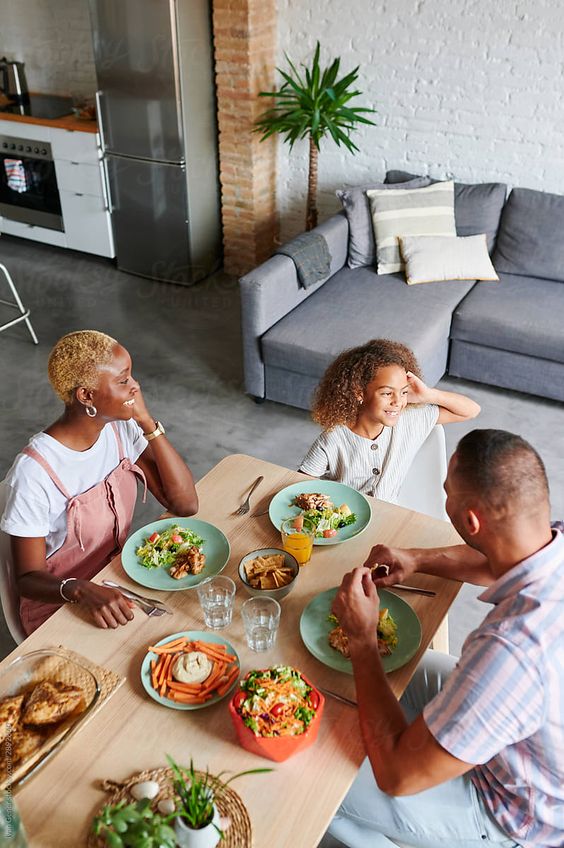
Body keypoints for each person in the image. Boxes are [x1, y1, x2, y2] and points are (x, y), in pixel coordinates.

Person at [327, 429, 564, 848]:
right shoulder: (548, 544)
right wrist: (416, 559)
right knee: (380, 678)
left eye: (447, 492)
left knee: (317, 769)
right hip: (524, 735)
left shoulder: (511, 650)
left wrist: (363, 639)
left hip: (511, 812)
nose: (444, 498)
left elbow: (397, 775)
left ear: (470, 520)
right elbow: (496, 562)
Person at [1, 330, 198, 635]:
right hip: (60, 608)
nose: (136, 386)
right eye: (123, 380)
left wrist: (147, 423)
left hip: (117, 582)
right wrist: (79, 590)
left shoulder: (120, 428)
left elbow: (185, 503)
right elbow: (27, 578)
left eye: (131, 375)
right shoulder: (34, 473)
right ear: (86, 396)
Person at [299, 338, 480, 502]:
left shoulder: (410, 420)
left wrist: (428, 395)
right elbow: (299, 486)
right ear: (358, 392)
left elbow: (471, 411)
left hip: (390, 515)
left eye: (403, 392)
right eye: (387, 393)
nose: (397, 402)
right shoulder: (333, 439)